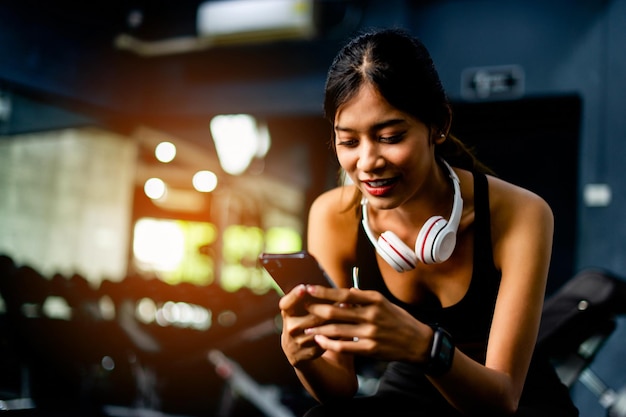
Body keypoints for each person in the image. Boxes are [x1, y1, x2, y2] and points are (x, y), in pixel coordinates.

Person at [278, 27, 579, 416]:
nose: (367, 162)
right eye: (349, 141)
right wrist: (302, 356)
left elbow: (502, 400)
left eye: (390, 136)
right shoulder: (333, 215)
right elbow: (338, 388)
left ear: (438, 125)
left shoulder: (520, 213)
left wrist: (423, 345)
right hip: (411, 396)